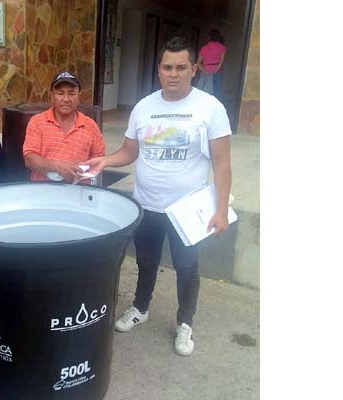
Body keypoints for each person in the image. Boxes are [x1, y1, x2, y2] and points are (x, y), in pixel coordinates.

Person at [82, 36, 232, 356]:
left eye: (180, 67)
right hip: (147, 204)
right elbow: (128, 152)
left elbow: (222, 163)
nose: (173, 74)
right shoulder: (144, 107)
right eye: (167, 67)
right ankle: (140, 307)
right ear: (159, 70)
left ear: (194, 69)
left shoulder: (210, 108)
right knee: (147, 261)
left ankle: (185, 323)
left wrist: (220, 210)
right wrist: (105, 161)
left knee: (187, 266)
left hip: (187, 209)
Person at [22, 71, 106, 184]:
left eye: (71, 93)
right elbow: (30, 160)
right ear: (52, 96)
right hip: (43, 191)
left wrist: (83, 169)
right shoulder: (37, 122)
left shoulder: (90, 126)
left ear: (78, 96)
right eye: (60, 93)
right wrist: (57, 166)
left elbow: (99, 160)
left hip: (79, 191)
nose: (66, 99)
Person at [196, 29, 227, 98]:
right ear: (219, 37)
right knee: (216, 93)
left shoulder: (204, 48)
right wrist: (215, 71)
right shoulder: (222, 48)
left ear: (209, 37)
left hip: (205, 72)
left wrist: (205, 71)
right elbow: (221, 61)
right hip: (217, 72)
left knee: (203, 92)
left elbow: (198, 63)